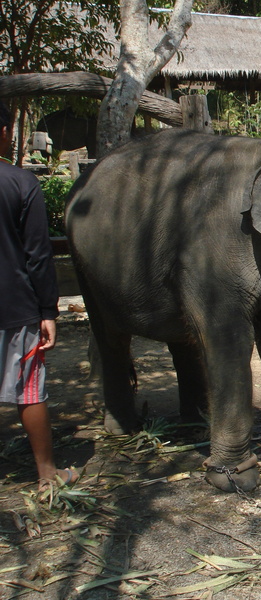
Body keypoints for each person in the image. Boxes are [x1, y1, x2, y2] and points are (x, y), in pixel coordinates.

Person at [0, 100, 77, 490]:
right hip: (15, 306)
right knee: (28, 390)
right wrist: (49, 308)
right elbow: (37, 253)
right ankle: (47, 475)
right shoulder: (20, 183)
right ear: (5, 132)